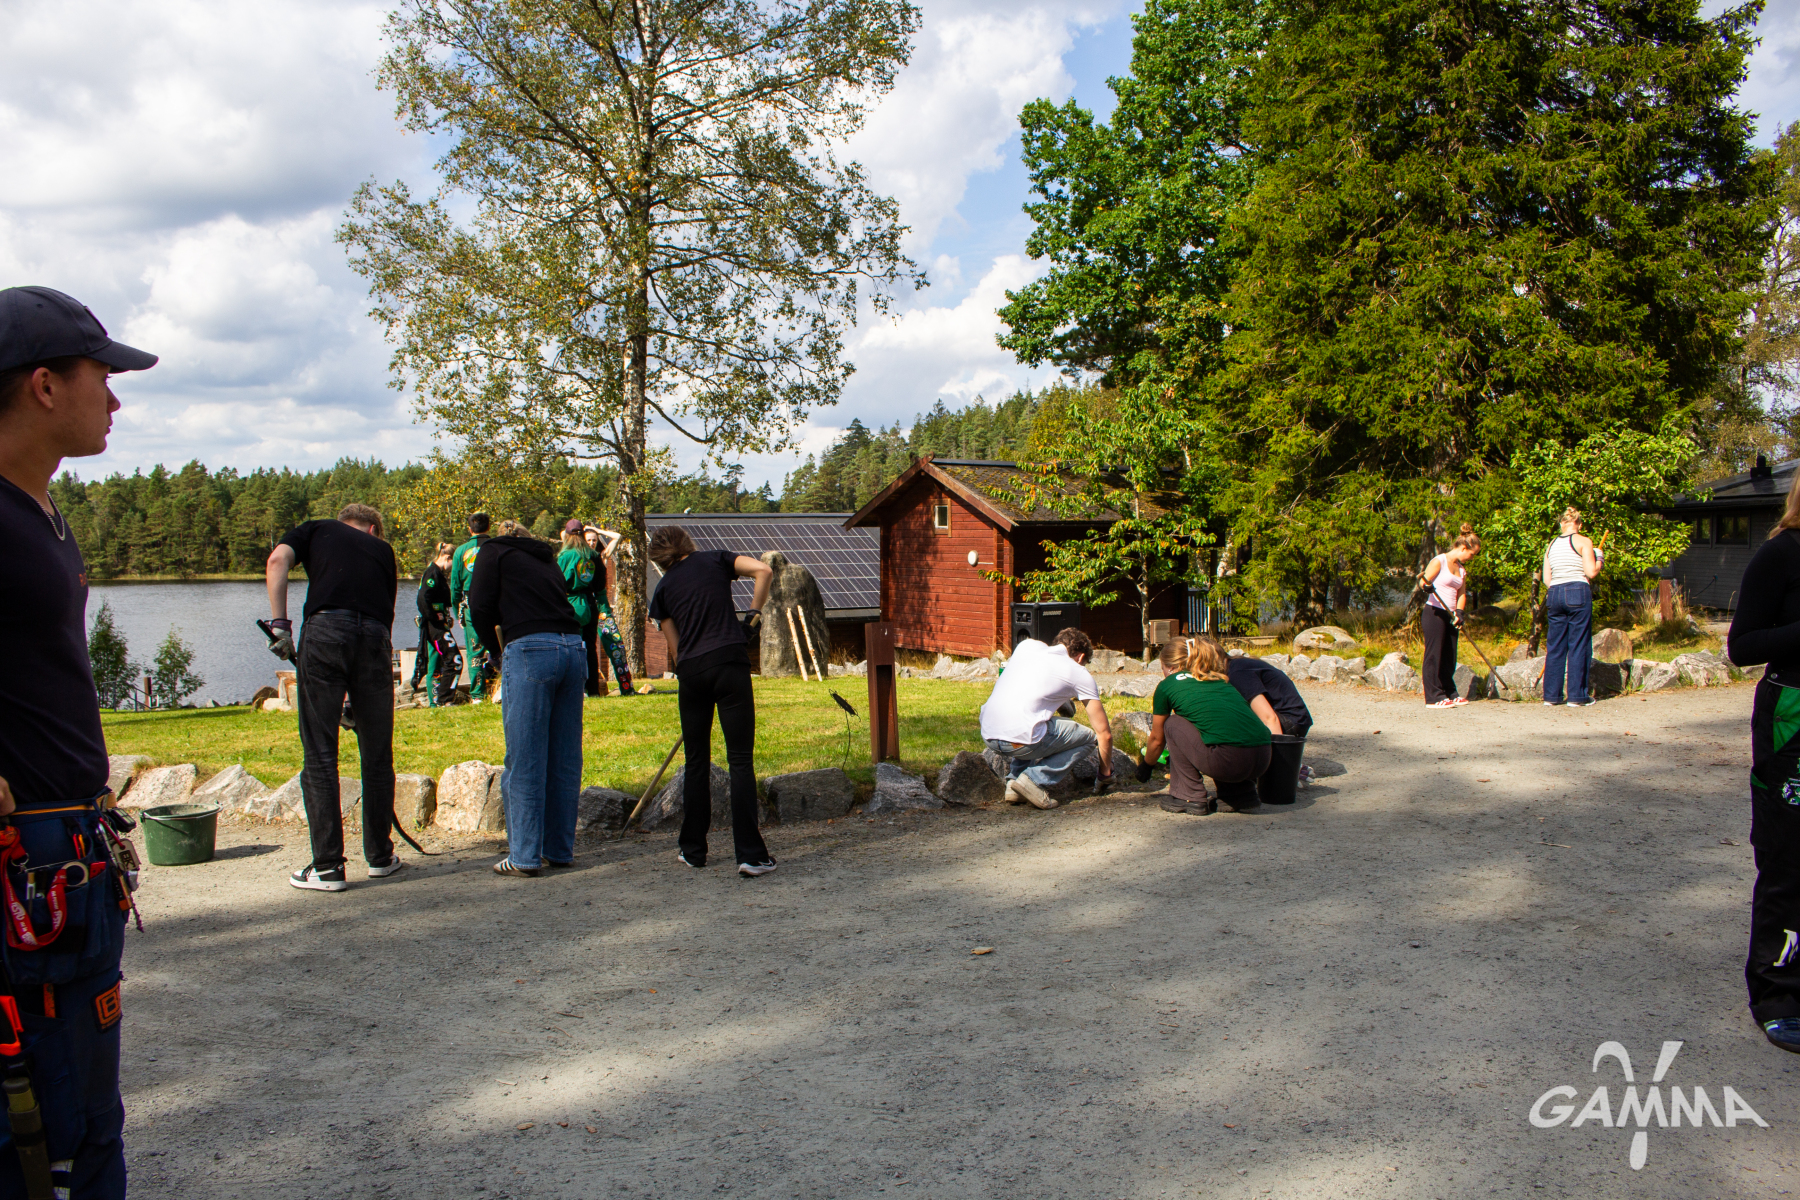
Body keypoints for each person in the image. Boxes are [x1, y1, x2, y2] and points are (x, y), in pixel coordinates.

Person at [0, 285, 156, 1198]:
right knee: (41, 1134)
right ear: (45, 385)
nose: (117, 398)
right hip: (26, 865)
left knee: (92, 1121)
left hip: (73, 850)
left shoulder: (42, 514)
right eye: (104, 375)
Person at [266, 503, 404, 891]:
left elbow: (277, 561)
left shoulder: (316, 529)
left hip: (325, 631)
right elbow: (386, 613)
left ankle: (328, 867)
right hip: (375, 637)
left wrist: (280, 625)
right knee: (377, 753)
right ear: (373, 529)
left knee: (320, 751)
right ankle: (380, 857)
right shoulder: (383, 550)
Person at [647, 526, 777, 875]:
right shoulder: (716, 559)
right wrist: (753, 615)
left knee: (696, 762)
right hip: (729, 662)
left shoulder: (662, 590)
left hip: (692, 672)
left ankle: (693, 850)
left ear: (659, 559)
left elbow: (675, 650)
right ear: (687, 541)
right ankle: (750, 855)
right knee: (740, 760)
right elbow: (763, 570)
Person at [1726, 471, 1800, 1055]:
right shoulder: (1781, 554)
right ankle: (1778, 996)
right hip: (1793, 716)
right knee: (1789, 857)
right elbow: (1742, 646)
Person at [469, 520, 586, 877]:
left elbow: (479, 606)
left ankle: (523, 856)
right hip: (573, 646)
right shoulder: (547, 557)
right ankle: (560, 850)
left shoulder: (492, 551)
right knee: (565, 756)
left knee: (525, 756)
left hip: (530, 647)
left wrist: (494, 651)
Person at [979, 628, 1115, 810]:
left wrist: (1063, 703)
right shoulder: (1077, 672)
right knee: (1089, 738)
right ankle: (1033, 780)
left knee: (1031, 718)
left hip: (989, 734)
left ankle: (1014, 784)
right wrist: (1105, 774)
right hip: (1021, 741)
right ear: (1081, 657)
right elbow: (1104, 734)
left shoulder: (1027, 647)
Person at [1137, 637, 1271, 816]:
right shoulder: (1217, 678)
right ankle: (1240, 795)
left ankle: (1188, 796)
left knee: (1173, 723)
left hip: (1229, 762)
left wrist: (1147, 765)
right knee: (1214, 728)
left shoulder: (1168, 684)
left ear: (1170, 667)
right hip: (1263, 757)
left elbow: (1156, 739)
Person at [1541, 506, 1603, 707]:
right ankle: (1577, 696)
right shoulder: (1584, 541)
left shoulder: (1550, 545)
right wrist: (1599, 558)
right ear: (1579, 524)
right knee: (1579, 644)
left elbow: (1546, 579)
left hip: (1554, 592)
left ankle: (1551, 696)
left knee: (1555, 646)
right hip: (1577, 590)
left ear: (1561, 523)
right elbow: (1591, 572)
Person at [1419, 525, 1481, 709]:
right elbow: (1423, 581)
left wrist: (1459, 613)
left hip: (1451, 616)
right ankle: (1434, 697)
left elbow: (1461, 593)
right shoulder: (1440, 561)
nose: (1472, 558)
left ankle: (1449, 692)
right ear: (1463, 548)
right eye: (1472, 554)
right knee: (1434, 655)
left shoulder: (1461, 569)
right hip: (1435, 612)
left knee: (1449, 656)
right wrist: (1426, 586)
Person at [557, 520, 605, 696]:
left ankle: (575, 687)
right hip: (590, 603)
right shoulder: (593, 555)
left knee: (571, 647)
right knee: (590, 647)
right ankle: (593, 689)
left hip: (570, 603)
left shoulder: (564, 556)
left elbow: (557, 582)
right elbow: (600, 584)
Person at [450, 513, 495, 698]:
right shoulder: (497, 547)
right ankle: (499, 688)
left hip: (471, 604)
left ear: (469, 529)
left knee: (475, 650)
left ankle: (477, 694)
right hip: (496, 602)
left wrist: (457, 612)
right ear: (489, 527)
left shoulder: (461, 551)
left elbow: (455, 587)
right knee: (499, 645)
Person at [587, 525, 636, 695]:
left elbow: (617, 536)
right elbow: (565, 534)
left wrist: (598, 531)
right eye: (588, 540)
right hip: (586, 605)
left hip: (602, 607)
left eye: (594, 540)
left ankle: (627, 688)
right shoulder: (579, 558)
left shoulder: (602, 556)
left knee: (616, 645)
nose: (592, 543)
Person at [1227, 652, 1313, 739]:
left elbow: (1269, 718)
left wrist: (1278, 745)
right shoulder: (1238, 664)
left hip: (1289, 721)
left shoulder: (1237, 672)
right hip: (1295, 718)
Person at [417, 542, 460, 707]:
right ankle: (442, 699)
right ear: (447, 558)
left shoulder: (438, 574)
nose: (452, 567)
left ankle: (440, 700)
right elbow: (423, 599)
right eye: (453, 563)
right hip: (434, 626)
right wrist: (435, 618)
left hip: (439, 623)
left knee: (441, 661)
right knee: (452, 659)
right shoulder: (432, 573)